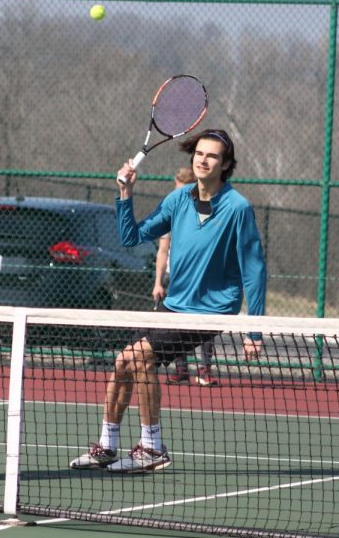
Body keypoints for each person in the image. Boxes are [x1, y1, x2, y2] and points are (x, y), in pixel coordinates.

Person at [69, 129, 267, 473]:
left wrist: (255, 330)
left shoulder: (238, 208)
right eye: (199, 154)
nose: (203, 160)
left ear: (226, 165)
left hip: (211, 311)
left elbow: (255, 269)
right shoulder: (178, 201)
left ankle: (152, 447)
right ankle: (108, 446)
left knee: (138, 356)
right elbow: (130, 236)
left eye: (213, 156)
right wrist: (125, 192)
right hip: (174, 305)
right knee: (122, 363)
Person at [153, 166, 219, 387]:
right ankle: (181, 369)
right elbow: (163, 249)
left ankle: (205, 369)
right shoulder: (171, 211)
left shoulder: (208, 213)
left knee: (206, 324)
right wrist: (158, 282)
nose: (178, 195)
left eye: (182, 190)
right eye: (176, 189)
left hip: (202, 280)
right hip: (177, 280)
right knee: (174, 324)